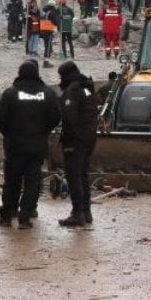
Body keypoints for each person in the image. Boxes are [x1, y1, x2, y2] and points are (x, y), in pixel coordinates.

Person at [0, 59, 61, 229]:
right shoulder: (47, 93)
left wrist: (9, 133)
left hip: (15, 145)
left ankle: (7, 216)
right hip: (37, 145)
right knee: (32, 182)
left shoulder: (10, 93)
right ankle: (25, 217)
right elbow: (56, 117)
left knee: (11, 182)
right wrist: (43, 131)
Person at [57, 61, 99, 228]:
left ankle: (77, 213)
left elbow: (68, 116)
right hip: (90, 138)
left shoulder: (72, 90)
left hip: (75, 140)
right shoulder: (88, 88)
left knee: (74, 176)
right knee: (83, 175)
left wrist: (68, 137)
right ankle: (86, 212)